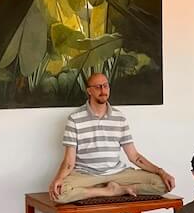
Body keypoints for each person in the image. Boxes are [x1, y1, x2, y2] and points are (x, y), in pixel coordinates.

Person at [49, 72, 175, 203]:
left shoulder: (119, 117)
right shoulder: (74, 119)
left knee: (162, 184)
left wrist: (161, 172)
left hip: (118, 174)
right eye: (98, 87)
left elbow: (135, 157)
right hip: (86, 175)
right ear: (89, 91)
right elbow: (69, 162)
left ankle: (118, 188)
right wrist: (58, 178)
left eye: (105, 86)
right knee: (60, 193)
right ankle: (108, 191)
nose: (103, 90)